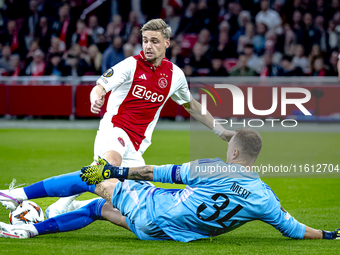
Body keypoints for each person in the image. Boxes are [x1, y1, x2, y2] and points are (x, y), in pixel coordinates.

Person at [0, 128, 339, 241]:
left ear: (233, 150)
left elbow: (153, 174)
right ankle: (30, 231)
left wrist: (117, 174)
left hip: (154, 209)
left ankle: (17, 193)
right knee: (98, 209)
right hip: (168, 233)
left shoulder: (212, 168)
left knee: (93, 176)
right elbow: (293, 229)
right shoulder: (265, 198)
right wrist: (327, 234)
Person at [42, 18, 233, 217]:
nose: (148, 46)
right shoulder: (130, 65)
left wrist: (220, 131)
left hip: (136, 145)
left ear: (167, 43)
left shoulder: (175, 75)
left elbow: (192, 105)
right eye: (145, 40)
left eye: (154, 41)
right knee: (109, 163)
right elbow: (100, 86)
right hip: (114, 129)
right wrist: (95, 98)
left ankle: (78, 206)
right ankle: (58, 205)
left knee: (141, 200)